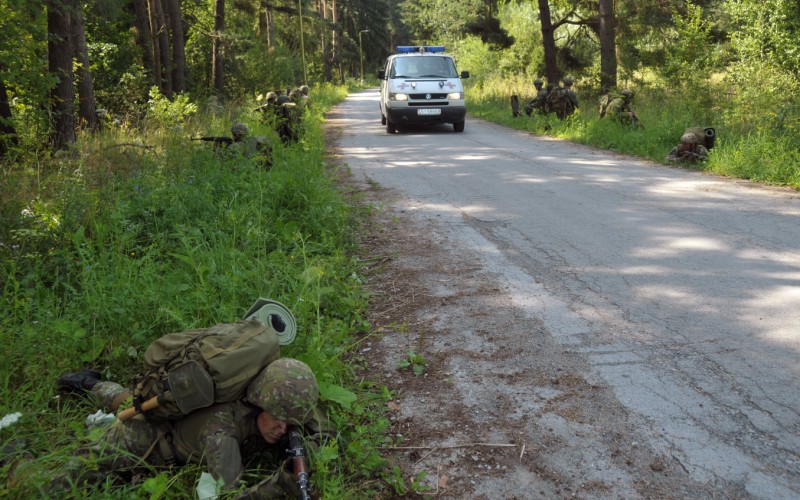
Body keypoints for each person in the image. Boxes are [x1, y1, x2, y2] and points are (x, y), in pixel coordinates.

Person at [43, 358, 329, 498]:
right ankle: (14, 456)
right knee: (59, 484)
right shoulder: (222, 432)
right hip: (143, 438)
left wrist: (310, 447)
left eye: (290, 423)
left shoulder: (270, 393)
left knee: (128, 399)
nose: (283, 428)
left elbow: (317, 419)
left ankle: (91, 383)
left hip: (173, 417)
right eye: (278, 420)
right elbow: (229, 495)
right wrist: (277, 486)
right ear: (260, 403)